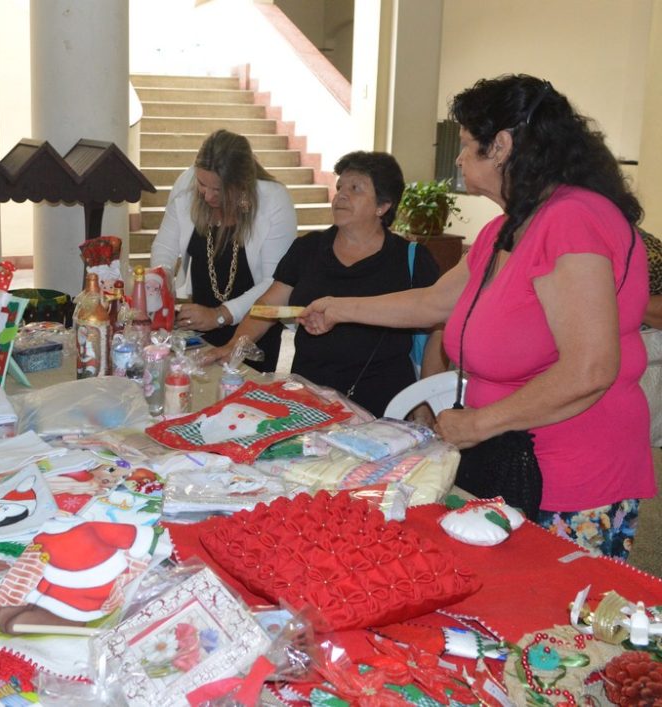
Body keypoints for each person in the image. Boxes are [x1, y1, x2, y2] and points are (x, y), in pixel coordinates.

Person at [300, 75, 654, 558]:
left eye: (467, 145)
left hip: (571, 474)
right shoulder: (507, 228)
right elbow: (433, 303)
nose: (459, 159)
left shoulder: (571, 220)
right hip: (512, 457)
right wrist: (339, 308)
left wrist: (481, 423)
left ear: (502, 146)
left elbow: (590, 369)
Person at [205, 151, 444, 418]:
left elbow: (437, 331)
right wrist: (235, 344)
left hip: (384, 407)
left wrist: (425, 402)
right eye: (340, 187)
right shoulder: (308, 248)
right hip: (309, 401)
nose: (341, 195)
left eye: (355, 189)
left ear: (383, 205)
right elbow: (268, 306)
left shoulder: (411, 259)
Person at [150, 129, 297, 372]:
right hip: (199, 326)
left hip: (254, 329)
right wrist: (160, 284)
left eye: (218, 190)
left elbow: (275, 282)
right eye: (202, 184)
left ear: (242, 185)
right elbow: (164, 247)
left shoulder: (273, 200)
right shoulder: (187, 185)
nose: (207, 195)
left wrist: (219, 315)